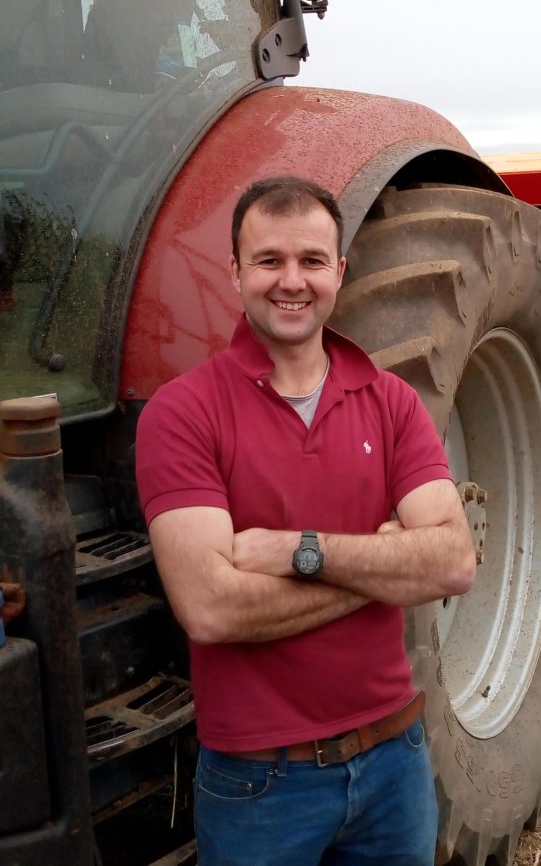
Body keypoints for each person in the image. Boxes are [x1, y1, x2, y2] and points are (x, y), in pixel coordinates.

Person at [135, 177, 476, 866]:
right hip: (262, 781)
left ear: (339, 271)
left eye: (312, 261)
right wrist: (386, 568)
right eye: (269, 261)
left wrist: (299, 551)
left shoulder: (393, 403)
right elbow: (210, 609)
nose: (292, 281)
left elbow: (453, 564)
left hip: (395, 761)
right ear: (235, 273)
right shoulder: (182, 413)